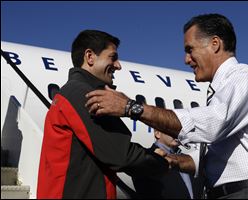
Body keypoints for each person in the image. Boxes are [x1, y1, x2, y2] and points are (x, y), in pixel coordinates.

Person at [85, 13, 248, 199]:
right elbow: (219, 159)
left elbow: (213, 125)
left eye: (190, 50)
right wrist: (175, 161)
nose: (186, 60)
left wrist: (131, 107)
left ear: (215, 44)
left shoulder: (244, 77)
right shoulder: (221, 90)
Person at [37, 29, 169, 199]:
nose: (118, 65)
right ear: (90, 57)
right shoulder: (85, 94)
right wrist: (161, 163)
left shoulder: (70, 92)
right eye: (112, 57)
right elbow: (122, 155)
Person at [132, 129, 201, 199]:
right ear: (157, 133)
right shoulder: (146, 159)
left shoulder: (188, 159)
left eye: (180, 130)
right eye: (171, 128)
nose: (178, 134)